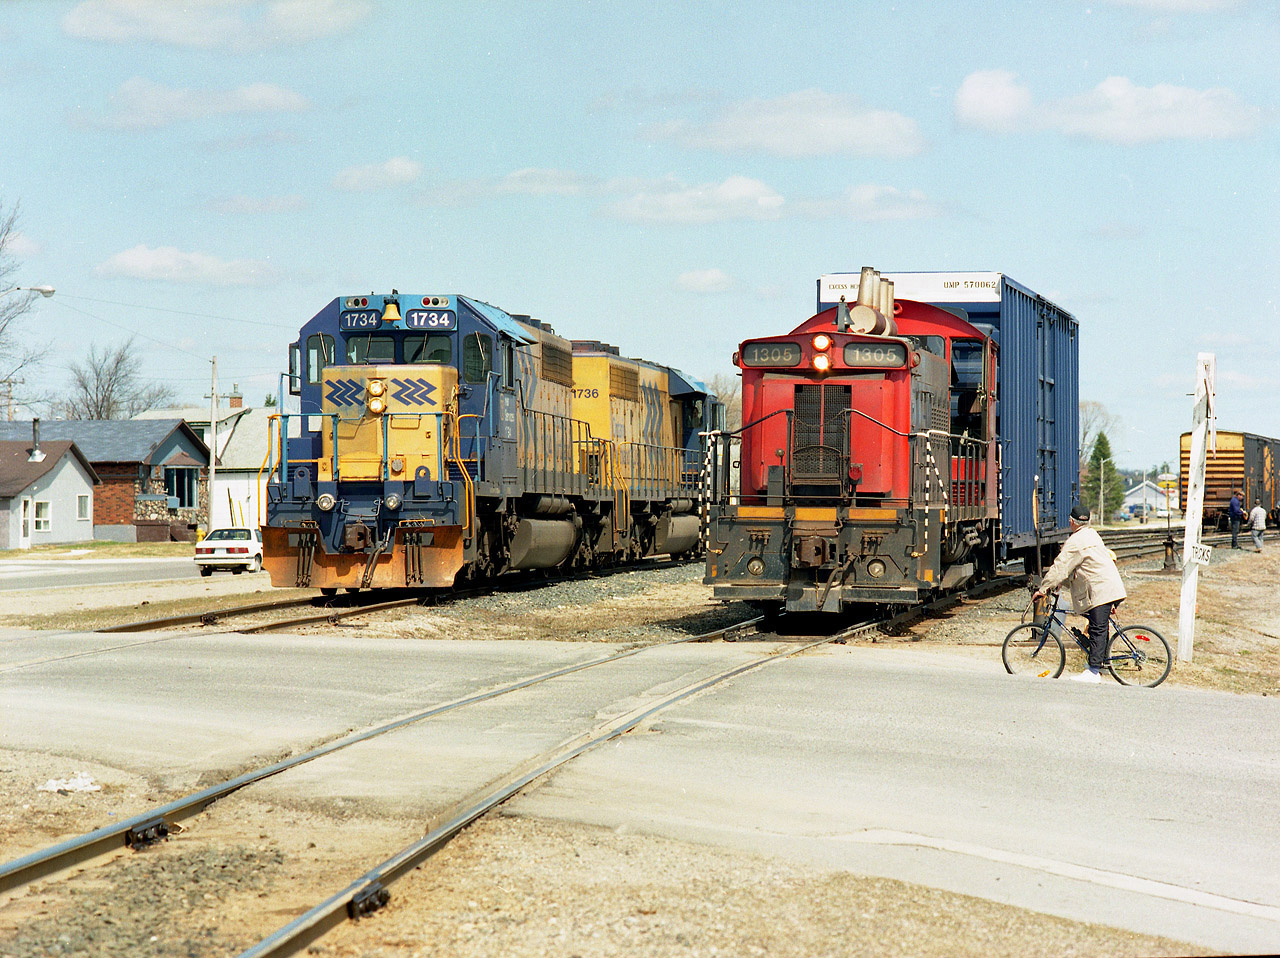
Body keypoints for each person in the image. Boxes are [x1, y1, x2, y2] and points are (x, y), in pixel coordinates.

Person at [1033, 503, 1127, 683]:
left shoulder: (1075, 541)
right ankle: (1100, 664)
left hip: (1101, 590)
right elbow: (1079, 567)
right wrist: (1062, 582)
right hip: (1108, 587)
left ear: (1071, 521)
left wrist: (1043, 589)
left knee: (1097, 629)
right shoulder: (1092, 534)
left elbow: (1060, 567)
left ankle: (1093, 671)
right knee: (1097, 627)